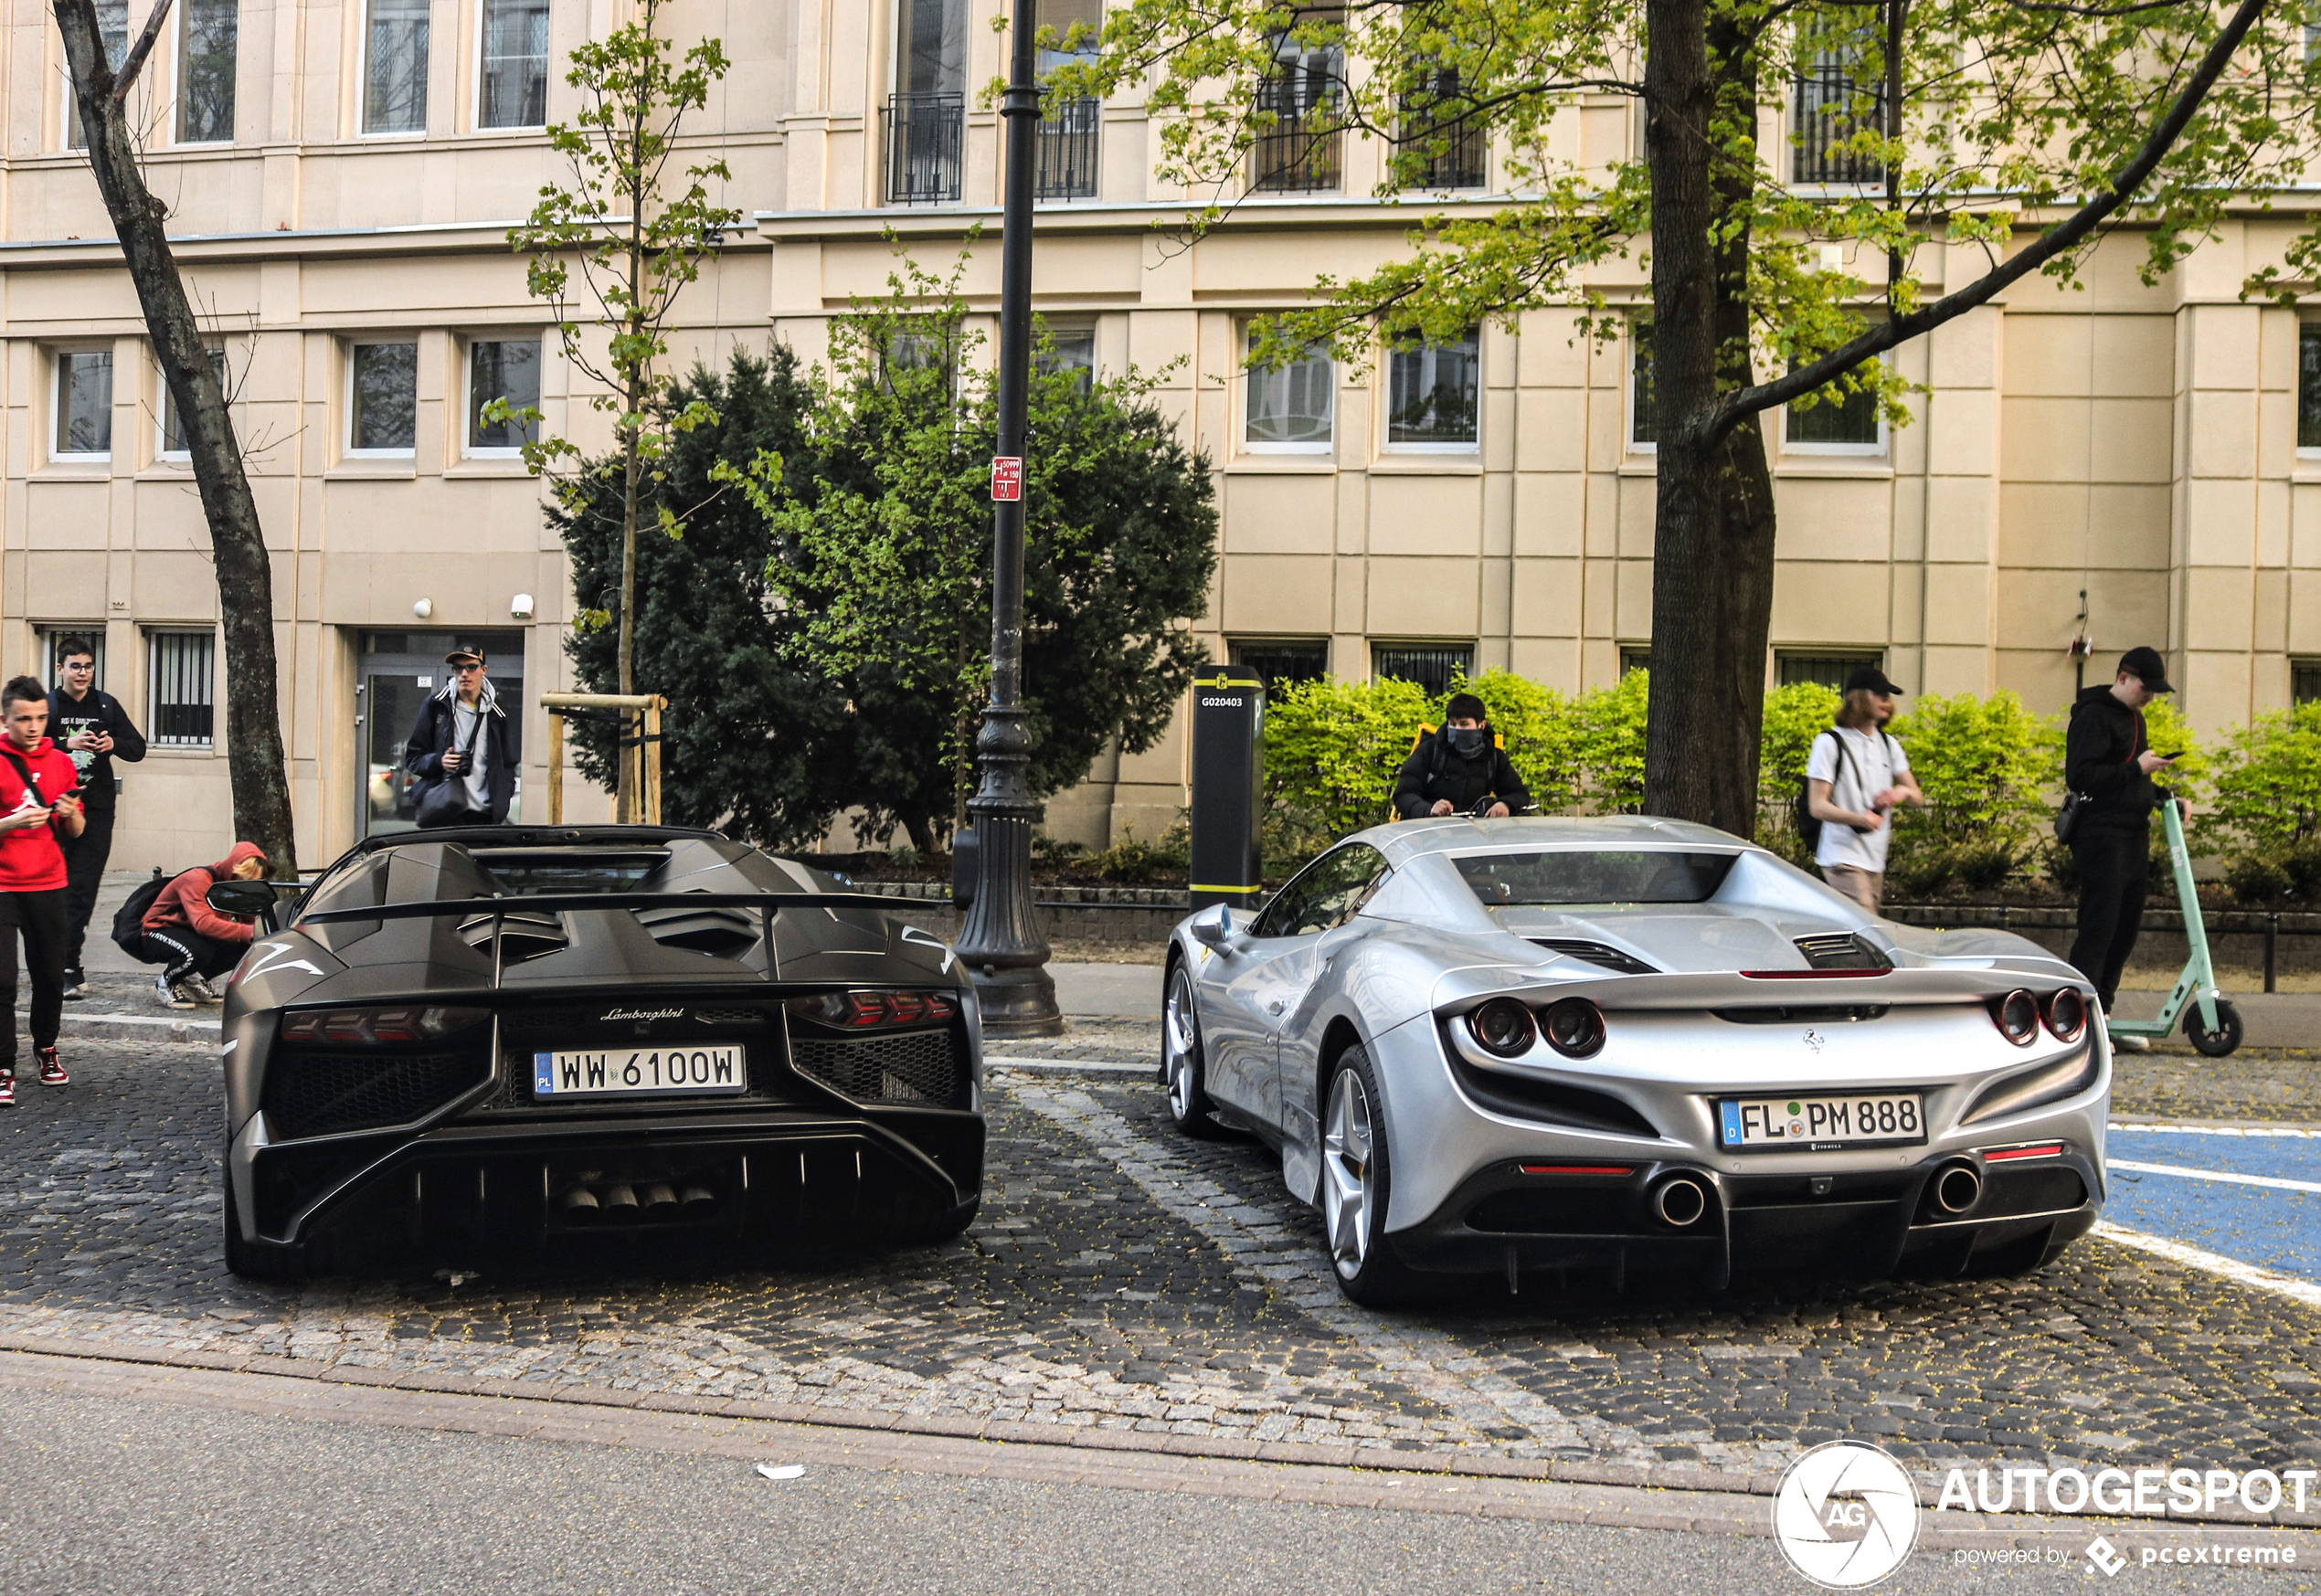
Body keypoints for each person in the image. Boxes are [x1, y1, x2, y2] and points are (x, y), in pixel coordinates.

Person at [2065, 645, 2181, 1052]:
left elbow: (2134, 779)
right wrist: (2137, 769)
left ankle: (2105, 1014)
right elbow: (2080, 777)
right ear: (2123, 679)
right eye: (2145, 689)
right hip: (2101, 833)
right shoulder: (2092, 716)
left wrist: (2164, 795)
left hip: (2133, 831)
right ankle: (2078, 1019)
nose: (2150, 697)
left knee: (2126, 926)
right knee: (2100, 925)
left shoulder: (2136, 719)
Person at [0, 675, 86, 1105]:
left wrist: (70, 814)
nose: (34, 727)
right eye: (24, 719)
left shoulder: (61, 762)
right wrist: (11, 823)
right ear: (6, 719)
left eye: (40, 718)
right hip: (2, 884)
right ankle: (3, 1066)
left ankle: (46, 1049)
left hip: (49, 881)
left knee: (51, 975)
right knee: (2, 981)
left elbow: (78, 827)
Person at [47, 636, 147, 999]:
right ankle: (56, 963)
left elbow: (138, 748)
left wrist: (113, 745)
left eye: (88, 666)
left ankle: (69, 965)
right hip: (54, 812)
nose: (83, 673)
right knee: (55, 892)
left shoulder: (106, 705)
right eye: (75, 666)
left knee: (82, 892)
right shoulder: (47, 706)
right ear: (60, 669)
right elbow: (26, 745)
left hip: (97, 812)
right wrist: (65, 745)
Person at [1805, 666, 1925, 913]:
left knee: (1863, 933)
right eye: (1879, 694)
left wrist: (1900, 793)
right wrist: (1859, 818)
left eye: (1889, 696)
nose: (1887, 701)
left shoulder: (1888, 744)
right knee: (1867, 925)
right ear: (1857, 697)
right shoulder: (1828, 743)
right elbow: (1817, 806)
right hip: (1841, 856)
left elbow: (1917, 798)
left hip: (1875, 858)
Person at [131, 842, 268, 1009]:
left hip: (188, 934)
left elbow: (249, 923)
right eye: (244, 879)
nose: (246, 886)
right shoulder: (198, 879)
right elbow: (203, 924)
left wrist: (262, 933)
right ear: (234, 870)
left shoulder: (234, 885)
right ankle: (167, 983)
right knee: (197, 951)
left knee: (249, 946)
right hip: (155, 931)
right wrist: (250, 931)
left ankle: (191, 978)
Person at [403, 645, 516, 827]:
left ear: (483, 670)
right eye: (458, 668)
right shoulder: (436, 705)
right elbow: (413, 758)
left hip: (485, 814)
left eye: (471, 667)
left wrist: (503, 793)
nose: (464, 674)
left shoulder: (497, 712)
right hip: (445, 811)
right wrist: (440, 761)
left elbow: (508, 763)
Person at [1392, 692, 1534, 819]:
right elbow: (1403, 795)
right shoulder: (1429, 751)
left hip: (1470, 837)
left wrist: (1505, 805)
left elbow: (1519, 793)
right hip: (1427, 834)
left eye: (1464, 724)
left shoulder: (1493, 757)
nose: (1457, 729)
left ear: (1481, 725)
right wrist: (1429, 809)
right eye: (1452, 724)